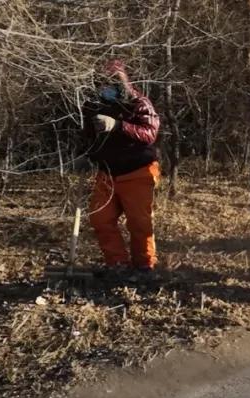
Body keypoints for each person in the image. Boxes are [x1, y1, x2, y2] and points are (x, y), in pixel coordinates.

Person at [80, 59, 161, 279]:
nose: (106, 87)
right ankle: (117, 264)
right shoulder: (94, 105)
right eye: (102, 83)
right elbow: (88, 135)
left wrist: (117, 126)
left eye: (112, 82)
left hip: (138, 171)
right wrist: (85, 153)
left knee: (139, 222)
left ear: (122, 81)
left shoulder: (139, 103)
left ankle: (145, 266)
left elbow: (150, 133)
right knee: (100, 219)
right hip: (107, 172)